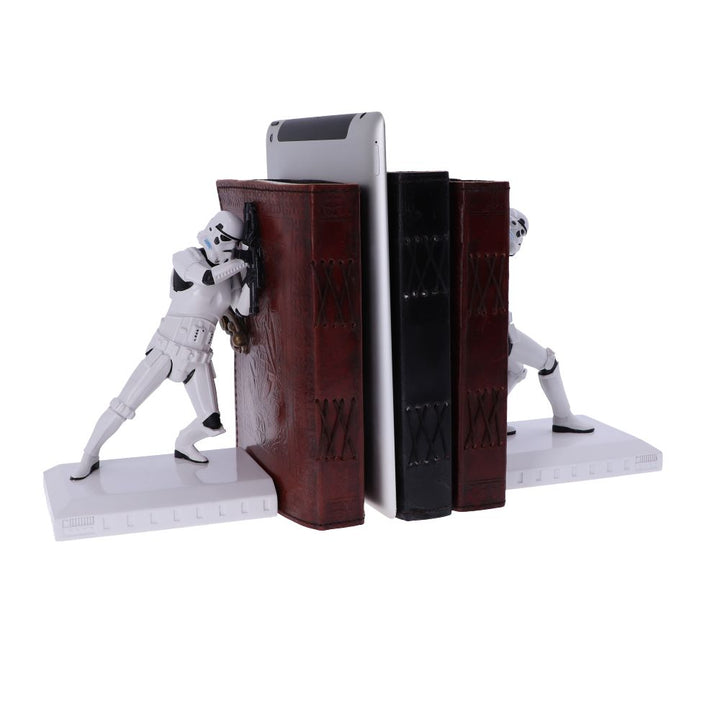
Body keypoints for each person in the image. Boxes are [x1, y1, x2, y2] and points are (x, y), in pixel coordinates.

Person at [71, 210, 251, 479]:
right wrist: (242, 261)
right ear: (213, 233)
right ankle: (89, 455)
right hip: (168, 347)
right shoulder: (186, 257)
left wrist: (252, 274)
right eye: (227, 240)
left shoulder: (231, 274)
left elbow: (243, 309)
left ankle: (183, 444)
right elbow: (206, 277)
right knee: (123, 406)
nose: (229, 248)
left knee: (211, 423)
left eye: (234, 244)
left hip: (199, 355)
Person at [507, 208, 594, 435]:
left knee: (515, 369)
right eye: (518, 232)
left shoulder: (488, 257)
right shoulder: (491, 260)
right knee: (549, 362)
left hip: (494, 331)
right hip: (500, 335)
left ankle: (490, 418)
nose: (519, 240)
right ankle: (563, 417)